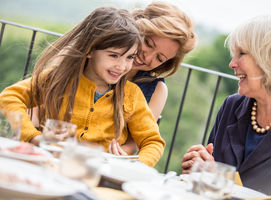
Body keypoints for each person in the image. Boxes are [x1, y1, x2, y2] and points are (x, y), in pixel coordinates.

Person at [0, 6, 165, 167]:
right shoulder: (58, 78)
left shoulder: (132, 95)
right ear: (90, 50)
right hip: (51, 166)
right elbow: (8, 98)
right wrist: (33, 137)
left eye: (130, 57)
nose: (122, 66)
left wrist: (134, 168)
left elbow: (153, 142)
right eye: (114, 56)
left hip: (98, 175)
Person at [181, 15, 271, 197]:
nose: (232, 64)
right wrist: (198, 168)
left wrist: (220, 180)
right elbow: (208, 183)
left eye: (242, 54)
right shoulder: (232, 106)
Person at [108, 1, 197, 155]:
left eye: (160, 58)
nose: (147, 58)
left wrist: (113, 155)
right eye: (148, 43)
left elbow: (135, 142)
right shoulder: (99, 57)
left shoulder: (157, 90)